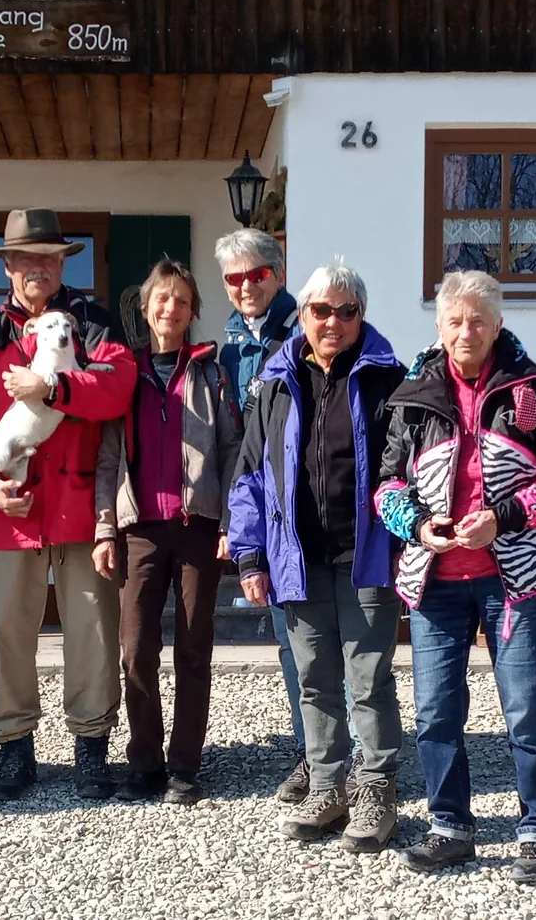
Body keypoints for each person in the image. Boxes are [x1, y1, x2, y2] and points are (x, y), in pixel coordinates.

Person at [374, 270, 536, 884]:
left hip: (517, 580)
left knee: (525, 709)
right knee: (436, 710)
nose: (466, 331)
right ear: (438, 327)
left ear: (497, 325)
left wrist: (508, 517)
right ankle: (450, 826)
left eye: (477, 320)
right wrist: (417, 526)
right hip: (436, 580)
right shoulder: (414, 395)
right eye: (454, 320)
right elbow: (387, 486)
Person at [0, 207, 135, 802]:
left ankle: (91, 746)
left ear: (62, 263)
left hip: (79, 504)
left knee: (92, 629)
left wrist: (54, 387)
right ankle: (14, 745)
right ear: (8, 267)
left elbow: (119, 390)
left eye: (48, 258)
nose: (38, 268)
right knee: (7, 629)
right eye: (26, 259)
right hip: (10, 509)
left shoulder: (94, 325)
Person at [226, 261, 407, 852]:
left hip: (367, 558)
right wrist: (251, 556)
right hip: (295, 559)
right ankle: (327, 786)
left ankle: (376, 790)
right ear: (301, 315)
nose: (333, 321)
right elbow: (250, 474)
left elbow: (407, 470)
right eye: (321, 310)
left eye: (346, 311)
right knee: (313, 681)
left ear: (361, 316)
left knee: (369, 679)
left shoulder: (390, 380)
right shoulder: (276, 383)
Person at [93, 259, 239, 805]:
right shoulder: (123, 373)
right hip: (140, 533)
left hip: (198, 527)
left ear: (192, 310)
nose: (170, 308)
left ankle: (185, 764)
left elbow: (230, 452)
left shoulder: (210, 372)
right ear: (146, 305)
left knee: (195, 648)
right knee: (136, 649)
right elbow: (108, 459)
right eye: (162, 298)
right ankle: (145, 760)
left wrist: (229, 523)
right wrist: (105, 530)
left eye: (181, 300)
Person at [212, 228, 311, 801]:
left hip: (311, 505)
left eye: (257, 275)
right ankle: (310, 752)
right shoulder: (227, 348)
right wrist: (234, 521)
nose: (246, 286)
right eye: (234, 278)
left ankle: (357, 759)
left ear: (277, 273)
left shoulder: (306, 330)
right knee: (289, 638)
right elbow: (235, 445)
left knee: (327, 636)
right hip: (263, 512)